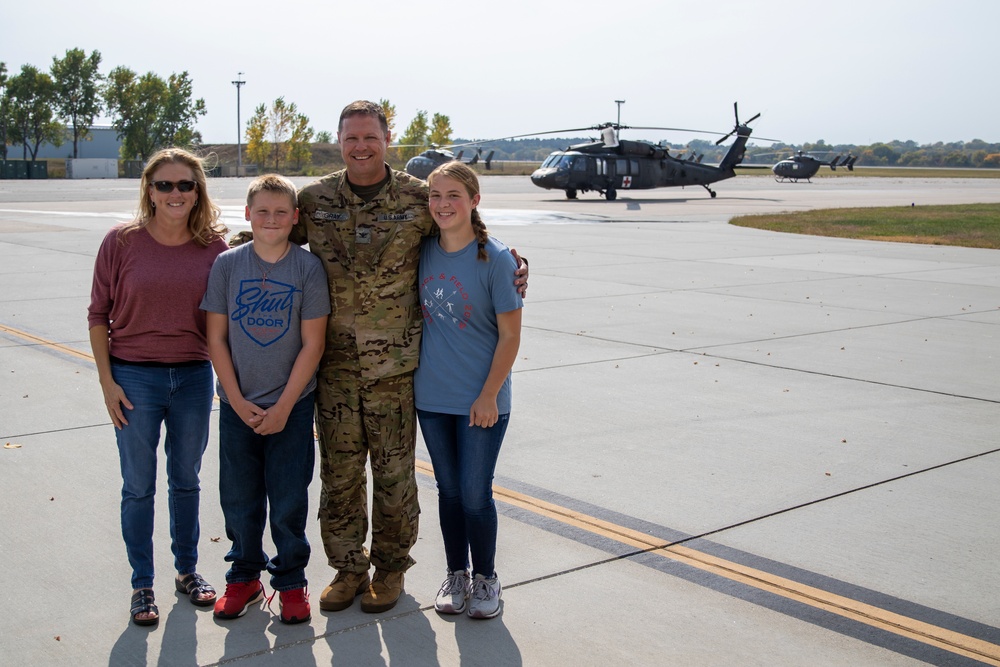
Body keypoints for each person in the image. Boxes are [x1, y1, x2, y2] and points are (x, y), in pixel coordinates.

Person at [273, 100, 527, 614]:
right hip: (336, 369)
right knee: (340, 476)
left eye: (370, 136)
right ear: (339, 141)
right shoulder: (315, 200)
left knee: (394, 476)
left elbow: (467, 232)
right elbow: (269, 237)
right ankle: (348, 569)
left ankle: (390, 571)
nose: (360, 146)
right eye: (351, 138)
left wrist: (515, 261)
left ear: (387, 140)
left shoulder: (417, 199)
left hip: (396, 371)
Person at [88, 148, 227, 626]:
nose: (174, 193)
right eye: (164, 185)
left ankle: (187, 572)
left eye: (184, 185)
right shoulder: (121, 242)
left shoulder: (214, 248)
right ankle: (141, 584)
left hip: (191, 376)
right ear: (148, 189)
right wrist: (108, 383)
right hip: (133, 378)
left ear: (197, 191)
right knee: (138, 486)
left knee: (186, 481)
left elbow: (224, 320)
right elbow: (97, 316)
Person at [201, 174, 330, 624]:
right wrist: (235, 400)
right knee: (238, 496)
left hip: (291, 408)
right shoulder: (228, 265)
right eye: (263, 211)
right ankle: (244, 575)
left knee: (290, 497)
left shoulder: (307, 268)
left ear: (295, 217)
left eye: (281, 212)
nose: (271, 219)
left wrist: (283, 407)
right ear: (247, 214)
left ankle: (291, 581)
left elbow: (313, 344)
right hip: (238, 406)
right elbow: (215, 337)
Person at [415, 162, 522, 619]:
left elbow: (511, 335)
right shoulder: (420, 251)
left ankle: (486, 579)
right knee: (450, 491)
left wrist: (489, 395)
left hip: (482, 398)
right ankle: (456, 574)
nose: (443, 203)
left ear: (474, 201)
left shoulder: (495, 259)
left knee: (476, 494)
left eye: (454, 194)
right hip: (432, 397)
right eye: (435, 194)